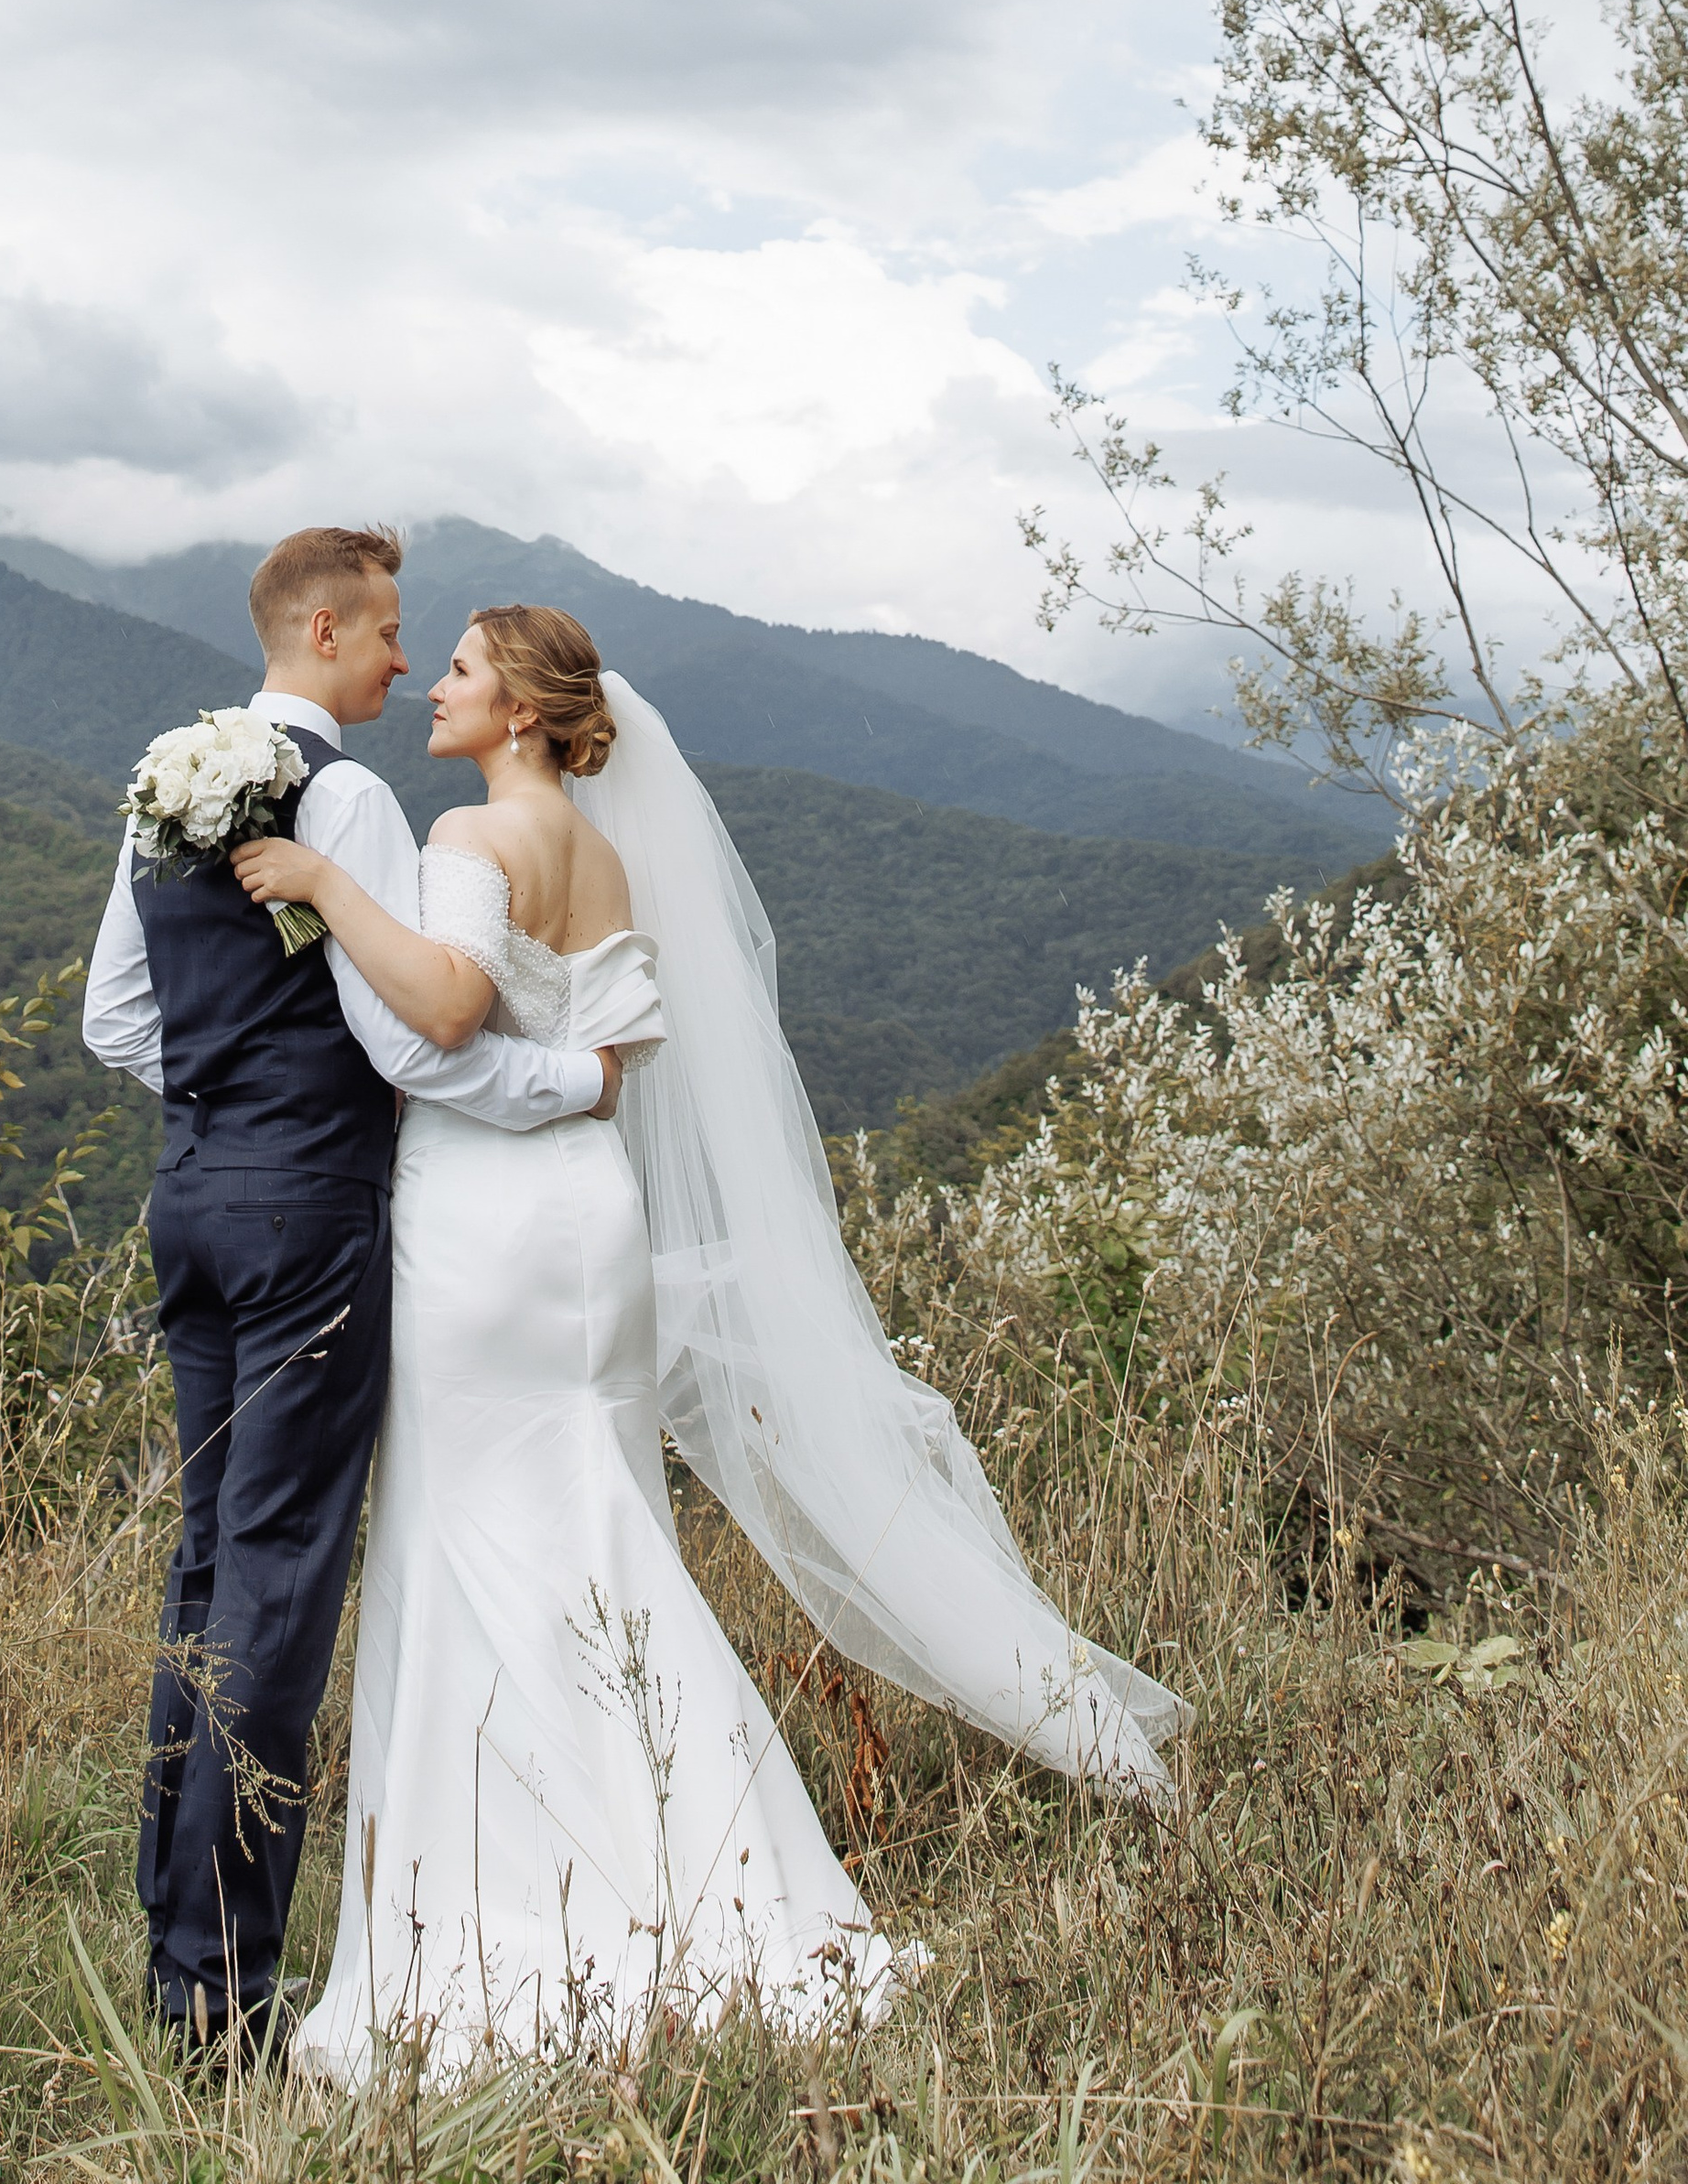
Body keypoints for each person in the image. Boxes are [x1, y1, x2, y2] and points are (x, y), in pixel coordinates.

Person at [232, 602, 1187, 2080]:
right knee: (603, 1535)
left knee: (472, 1542)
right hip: (594, 1236)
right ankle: (719, 1880)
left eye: (469, 672)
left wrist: (321, 890)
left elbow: (441, 1021)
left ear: (532, 714)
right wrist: (543, 1076)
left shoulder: (467, 844)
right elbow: (611, 1076)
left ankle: (495, 1914)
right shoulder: (604, 859)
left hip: (482, 1234)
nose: (438, 687)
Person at [81, 527, 632, 2058]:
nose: (402, 657)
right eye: (390, 630)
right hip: (308, 1212)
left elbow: (114, 1019)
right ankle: (219, 2000)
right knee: (278, 1583)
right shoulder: (353, 798)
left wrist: (224, 1096)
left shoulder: (163, 783)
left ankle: (166, 1935)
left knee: (203, 1568)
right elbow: (413, 1044)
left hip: (186, 1200)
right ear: (324, 630)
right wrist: (576, 1086)